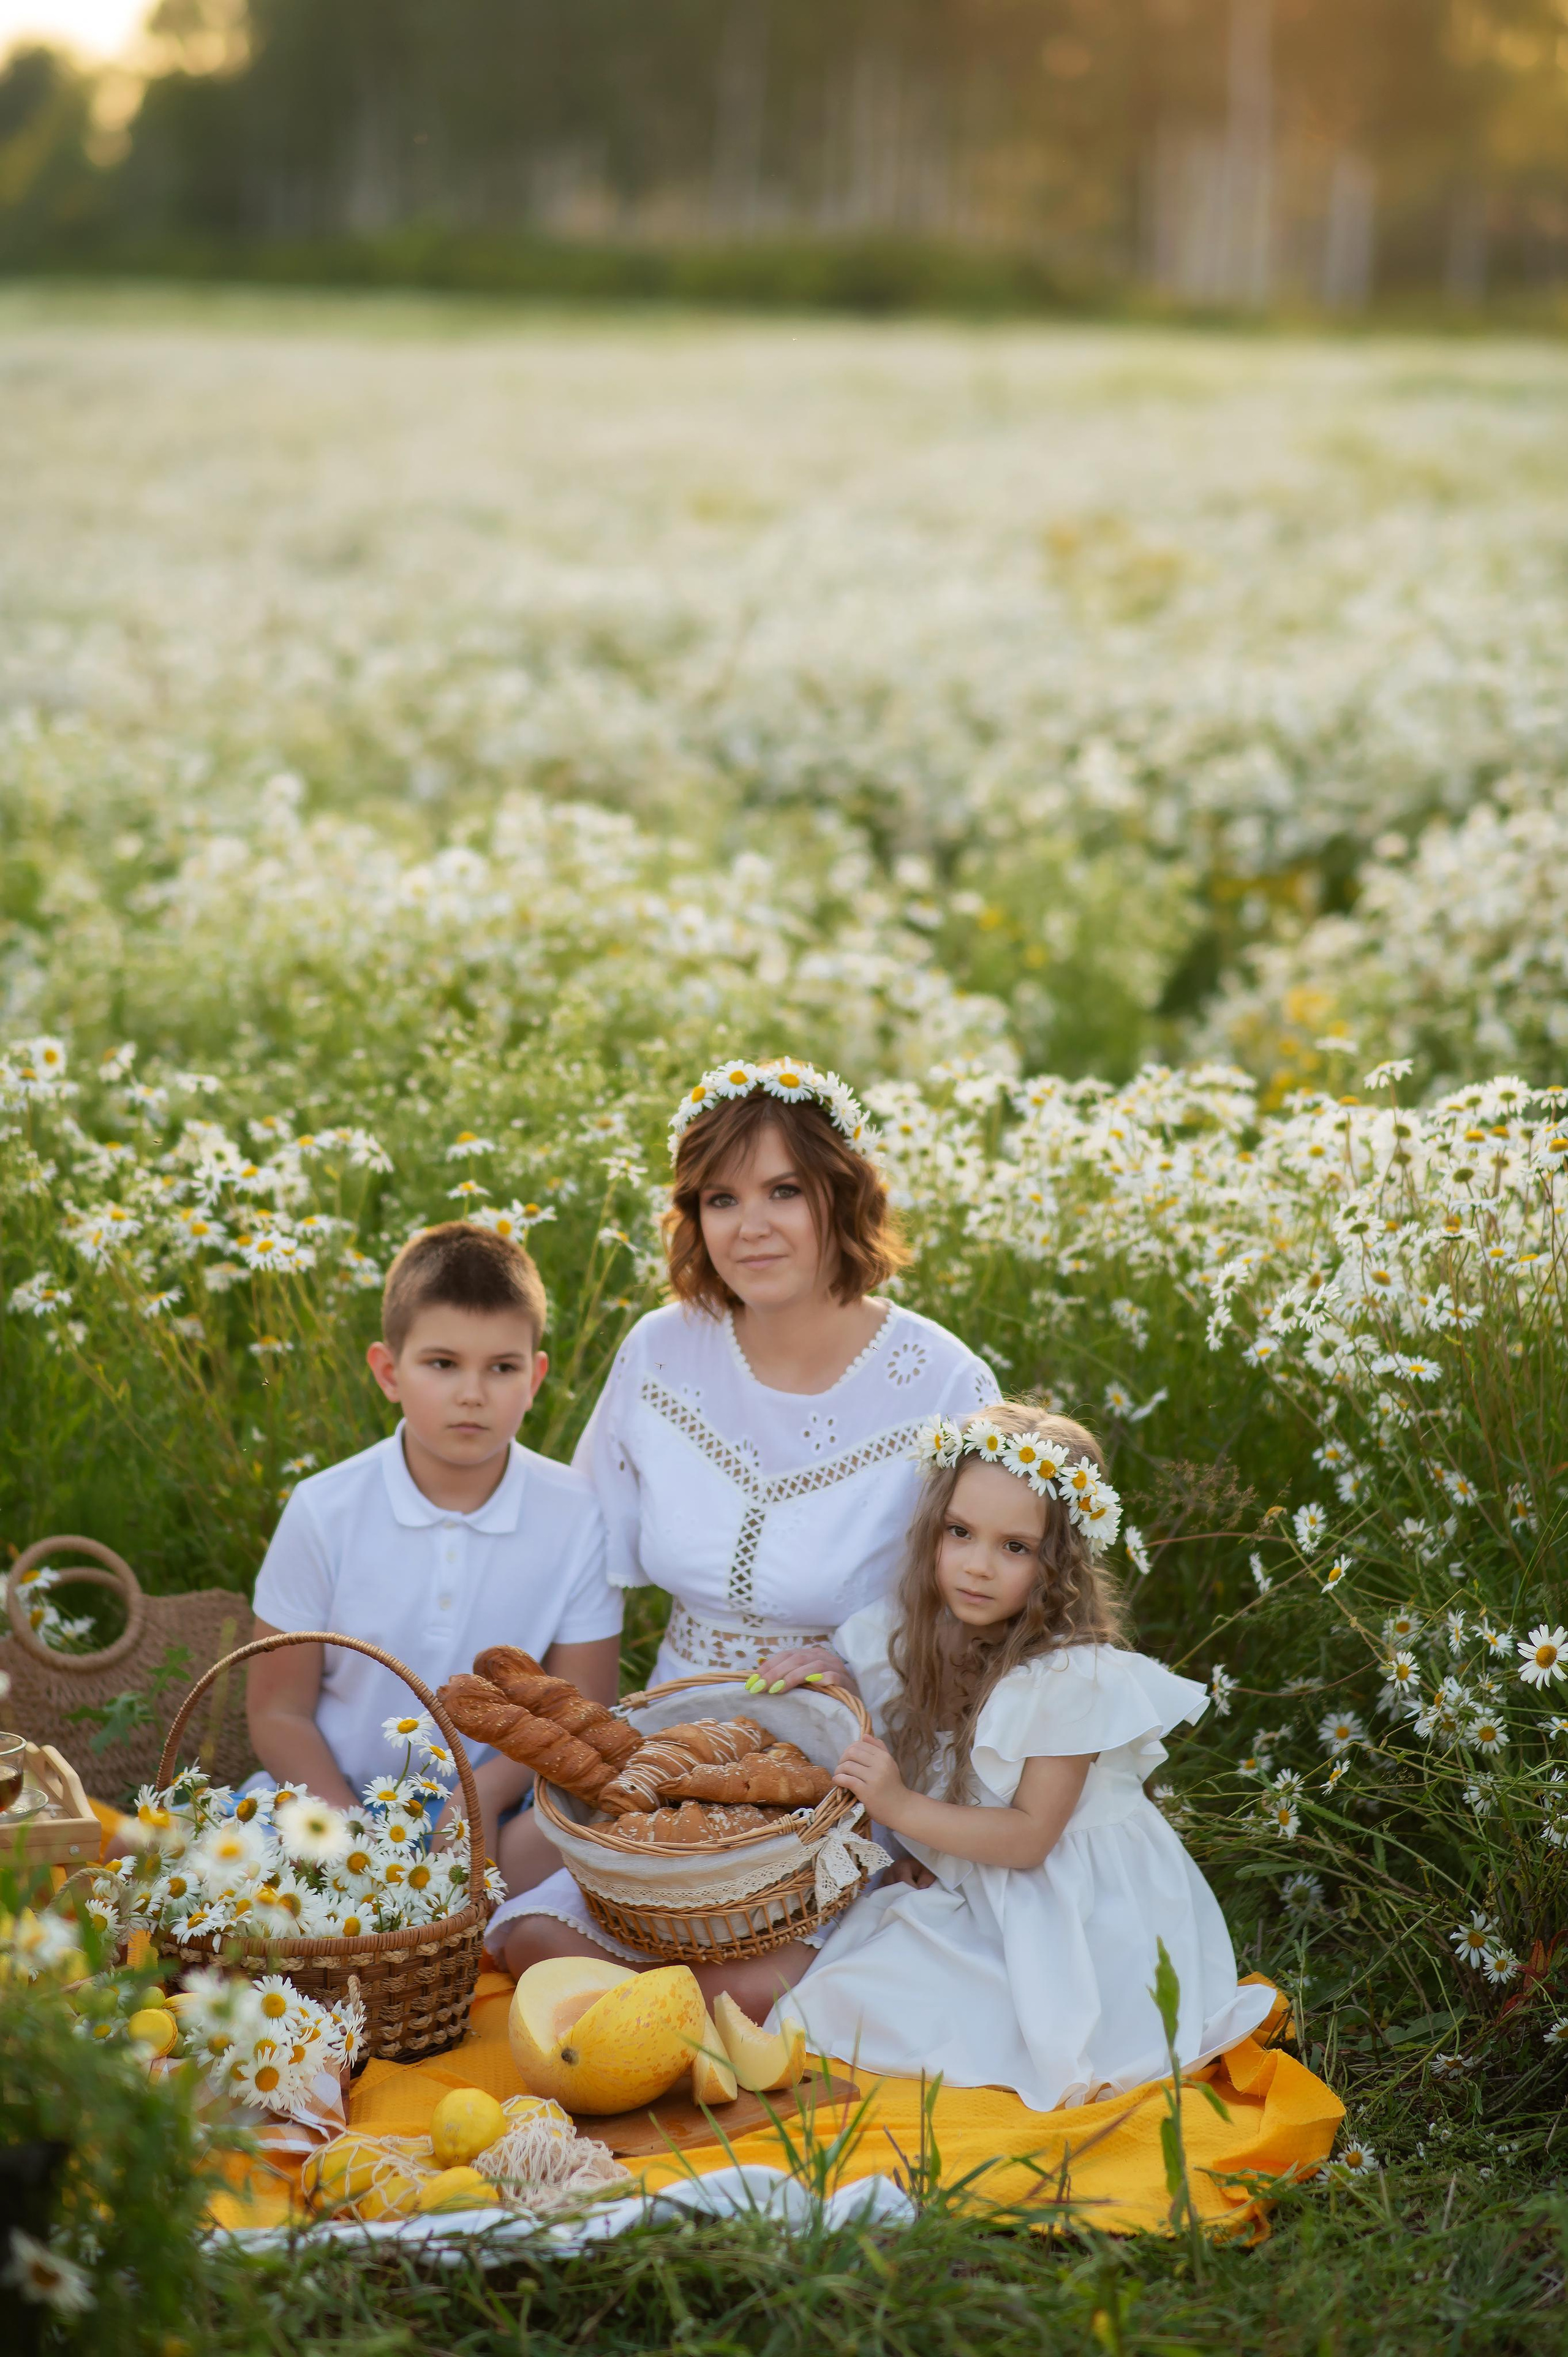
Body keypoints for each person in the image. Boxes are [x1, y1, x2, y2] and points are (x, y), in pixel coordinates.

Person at [487, 1053, 997, 1985]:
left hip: (855, 1748)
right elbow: (581, 1563)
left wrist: (925, 1767)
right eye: (720, 1199)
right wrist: (571, 1755)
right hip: (678, 1733)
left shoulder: (942, 1379)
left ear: (841, 1197)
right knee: (532, 1941)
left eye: (783, 1190)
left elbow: (985, 1612)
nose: (749, 1226)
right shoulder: (662, 1347)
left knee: (751, 1986)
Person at [769, 1401, 1276, 2111]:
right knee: (845, 1992)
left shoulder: (1071, 1675)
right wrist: (831, 1669)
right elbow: (863, 1682)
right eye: (960, 1533)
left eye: (1015, 1547)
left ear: (1060, 1562)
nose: (977, 1566)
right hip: (985, 1887)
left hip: (1079, 1921)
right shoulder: (917, 1631)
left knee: (916, 2019)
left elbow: (1032, 1836)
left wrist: (902, 1808)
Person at [246, 1222, 622, 1896]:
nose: (472, 1393)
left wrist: (473, 1806)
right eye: (442, 1364)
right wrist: (348, 1838)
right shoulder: (324, 1507)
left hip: (499, 1807)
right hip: (332, 1797)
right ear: (389, 1371)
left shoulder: (577, 1512)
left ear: (534, 1378)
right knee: (237, 1875)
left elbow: (581, 1709)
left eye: (501, 1367)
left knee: (581, 1853)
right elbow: (279, 1710)